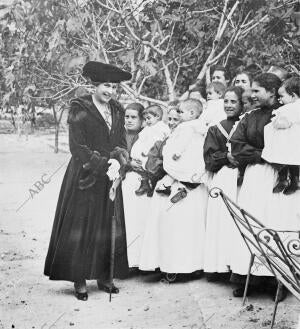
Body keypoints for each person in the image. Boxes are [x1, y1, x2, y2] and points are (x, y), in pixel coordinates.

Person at [44, 61, 132, 301]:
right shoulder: (79, 107)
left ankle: (105, 276)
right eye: (105, 85)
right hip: (85, 174)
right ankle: (79, 278)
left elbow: (121, 140)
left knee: (106, 224)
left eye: (113, 86)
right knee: (81, 226)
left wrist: (119, 160)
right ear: (94, 85)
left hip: (110, 175)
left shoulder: (117, 109)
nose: (110, 91)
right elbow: (77, 147)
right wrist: (102, 164)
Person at [229, 72, 287, 299]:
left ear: (271, 92)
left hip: (278, 176)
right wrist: (263, 155)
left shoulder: (285, 115)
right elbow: (236, 146)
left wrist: (274, 156)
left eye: (256, 91)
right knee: (252, 224)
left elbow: (288, 147)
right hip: (255, 175)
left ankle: (278, 282)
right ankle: (249, 279)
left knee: (273, 224)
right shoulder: (249, 116)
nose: (250, 95)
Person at [139, 98, 208, 278]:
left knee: (185, 226)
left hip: (187, 179)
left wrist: (173, 159)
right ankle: (170, 264)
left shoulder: (189, 130)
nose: (173, 121)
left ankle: (189, 265)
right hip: (175, 177)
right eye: (170, 118)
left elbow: (185, 152)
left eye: (178, 116)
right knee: (170, 225)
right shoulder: (186, 130)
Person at [203, 86, 243, 281]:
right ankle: (220, 267)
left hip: (243, 181)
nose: (228, 105)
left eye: (233, 101)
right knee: (222, 222)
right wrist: (226, 157)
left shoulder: (247, 124)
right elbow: (209, 160)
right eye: (225, 101)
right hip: (224, 179)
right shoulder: (216, 128)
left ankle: (239, 269)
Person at [157, 99, 206, 203]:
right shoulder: (199, 125)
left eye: (181, 112)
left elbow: (183, 141)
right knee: (189, 171)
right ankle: (185, 187)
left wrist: (177, 152)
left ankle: (167, 186)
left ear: (192, 113)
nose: (180, 115)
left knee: (174, 167)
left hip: (184, 154)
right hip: (194, 156)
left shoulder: (187, 126)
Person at [262, 76, 300, 195]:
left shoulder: (290, 108)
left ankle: (284, 179)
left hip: (287, 141)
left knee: (281, 159)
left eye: (282, 96)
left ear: (293, 95)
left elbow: (283, 123)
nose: (280, 100)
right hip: (293, 141)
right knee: (292, 163)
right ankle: (294, 180)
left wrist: (275, 122)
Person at [131, 105, 170, 196]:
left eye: (149, 118)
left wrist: (148, 152)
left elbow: (160, 141)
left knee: (152, 170)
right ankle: (144, 184)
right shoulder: (148, 128)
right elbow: (141, 138)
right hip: (144, 152)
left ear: (157, 117)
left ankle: (153, 185)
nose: (147, 121)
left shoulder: (161, 127)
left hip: (153, 153)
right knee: (141, 168)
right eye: (145, 119)